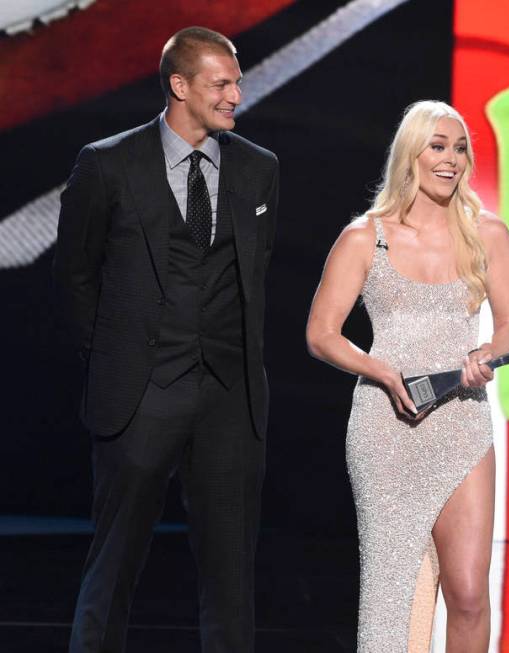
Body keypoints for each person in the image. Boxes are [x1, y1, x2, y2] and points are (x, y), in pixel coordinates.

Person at [53, 27, 279, 653]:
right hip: (139, 394)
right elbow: (74, 276)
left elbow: (253, 280)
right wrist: (111, 364)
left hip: (229, 399)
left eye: (237, 80)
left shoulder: (259, 170)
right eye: (221, 83)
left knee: (231, 579)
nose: (236, 93)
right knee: (115, 565)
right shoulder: (108, 164)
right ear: (180, 86)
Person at [306, 100, 509, 652]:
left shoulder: (487, 233)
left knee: (469, 592)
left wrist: (487, 356)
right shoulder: (366, 237)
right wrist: (378, 369)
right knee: (391, 591)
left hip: (460, 424)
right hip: (387, 428)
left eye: (459, 147)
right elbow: (322, 334)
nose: (450, 159)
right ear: (411, 154)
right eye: (438, 146)